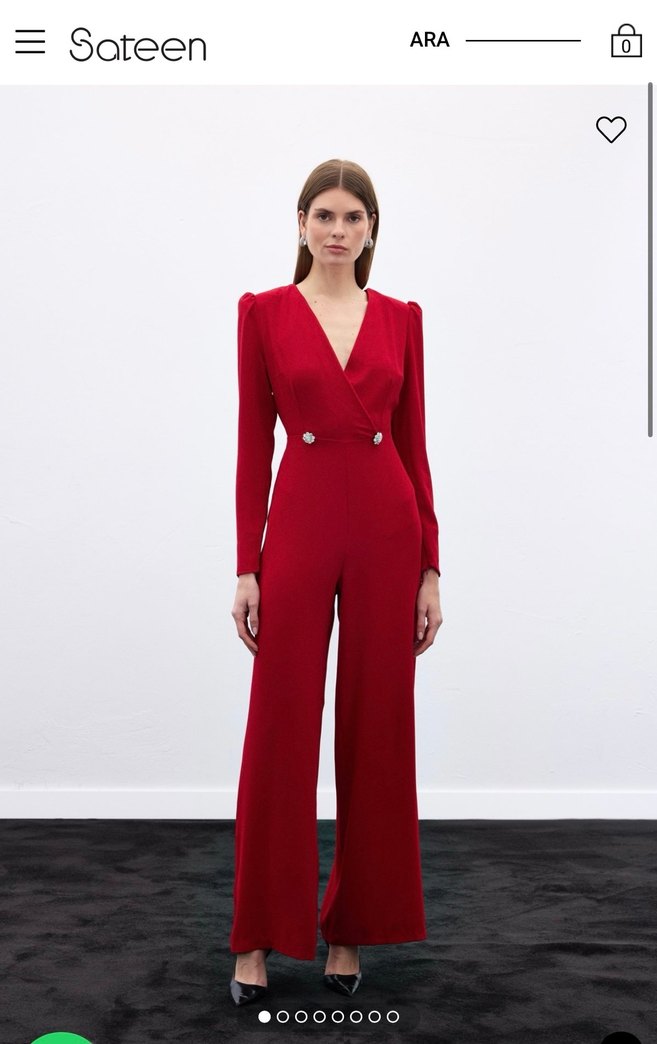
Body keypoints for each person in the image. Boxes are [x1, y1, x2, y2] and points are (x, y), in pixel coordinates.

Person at [228, 158, 443, 1007]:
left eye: (354, 217)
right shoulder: (264, 313)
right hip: (302, 522)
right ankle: (255, 936)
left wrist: (431, 566)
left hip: (389, 528)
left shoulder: (400, 319)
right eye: (324, 214)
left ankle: (349, 930)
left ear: (370, 229)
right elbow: (253, 446)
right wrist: (247, 563)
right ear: (300, 222)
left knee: (375, 723)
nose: (338, 230)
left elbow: (415, 446)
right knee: (279, 722)